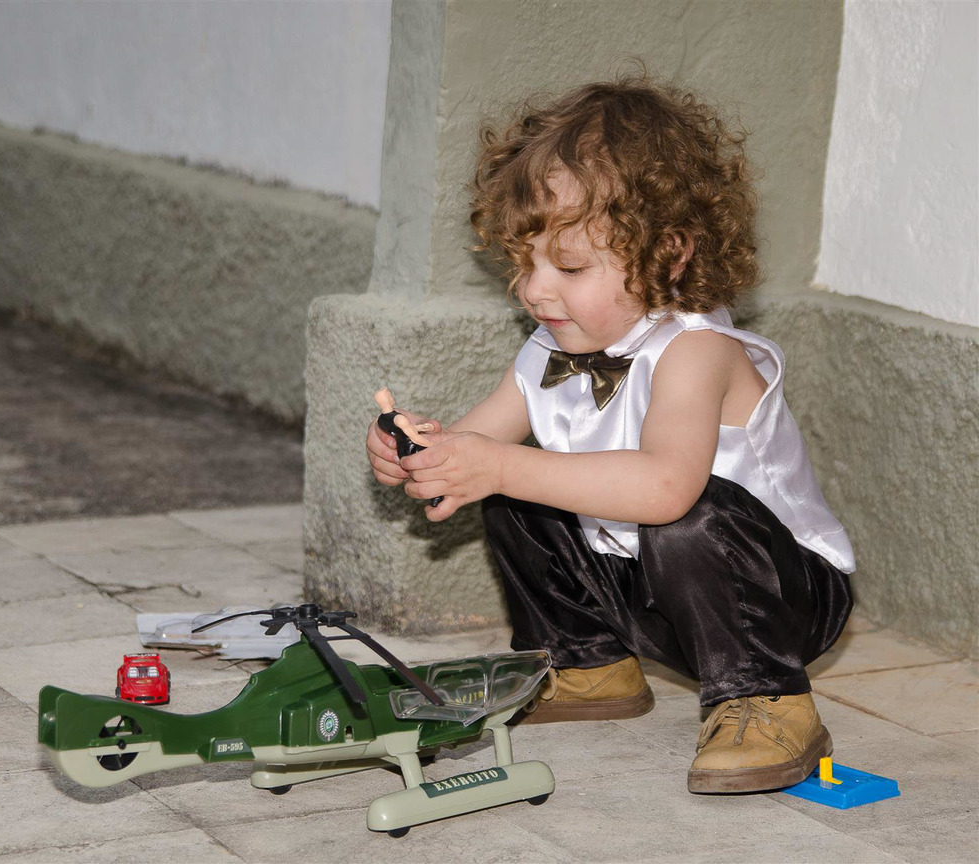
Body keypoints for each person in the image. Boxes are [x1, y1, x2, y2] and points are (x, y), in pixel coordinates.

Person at [365, 76, 855, 795]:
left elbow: (665, 487)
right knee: (511, 488)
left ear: (673, 253)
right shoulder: (548, 346)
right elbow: (476, 446)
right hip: (650, 588)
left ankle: (766, 699)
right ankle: (588, 662)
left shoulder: (697, 351)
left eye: (567, 266)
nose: (535, 289)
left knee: (684, 512)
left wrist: (497, 465)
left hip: (780, 598)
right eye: (523, 261)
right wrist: (418, 456)